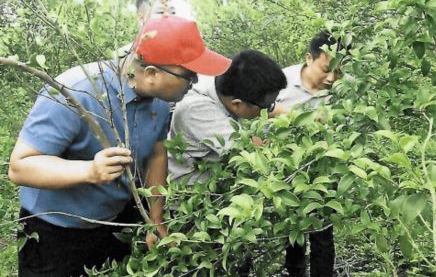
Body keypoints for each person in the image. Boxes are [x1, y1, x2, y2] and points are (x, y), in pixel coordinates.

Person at [8, 15, 231, 277]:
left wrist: (155, 218)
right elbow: (20, 167)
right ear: (151, 73)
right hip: (55, 231)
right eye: (189, 76)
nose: (194, 84)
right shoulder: (76, 92)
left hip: (115, 221)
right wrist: (90, 171)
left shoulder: (159, 98)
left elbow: (156, 154)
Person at [276, 31, 349, 277]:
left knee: (323, 236)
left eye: (338, 71)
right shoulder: (280, 82)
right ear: (310, 58)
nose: (331, 78)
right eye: (327, 69)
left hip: (323, 175)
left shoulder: (342, 91)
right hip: (284, 173)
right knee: (293, 235)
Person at [168, 49, 287, 185]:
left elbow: (272, 108)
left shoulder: (227, 82)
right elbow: (250, 151)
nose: (270, 110)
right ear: (237, 104)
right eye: (266, 107)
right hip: (198, 195)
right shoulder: (197, 109)